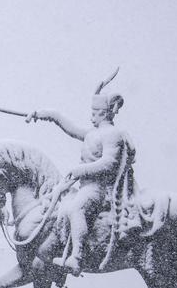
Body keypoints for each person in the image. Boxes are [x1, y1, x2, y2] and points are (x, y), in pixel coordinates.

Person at [27, 72, 136, 276]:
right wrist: (41, 114)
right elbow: (67, 125)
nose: (91, 116)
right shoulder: (91, 133)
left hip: (100, 190)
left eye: (94, 113)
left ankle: (76, 258)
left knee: (75, 208)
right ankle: (60, 257)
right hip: (84, 188)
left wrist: (80, 170)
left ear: (104, 113)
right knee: (61, 207)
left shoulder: (112, 135)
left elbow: (109, 164)